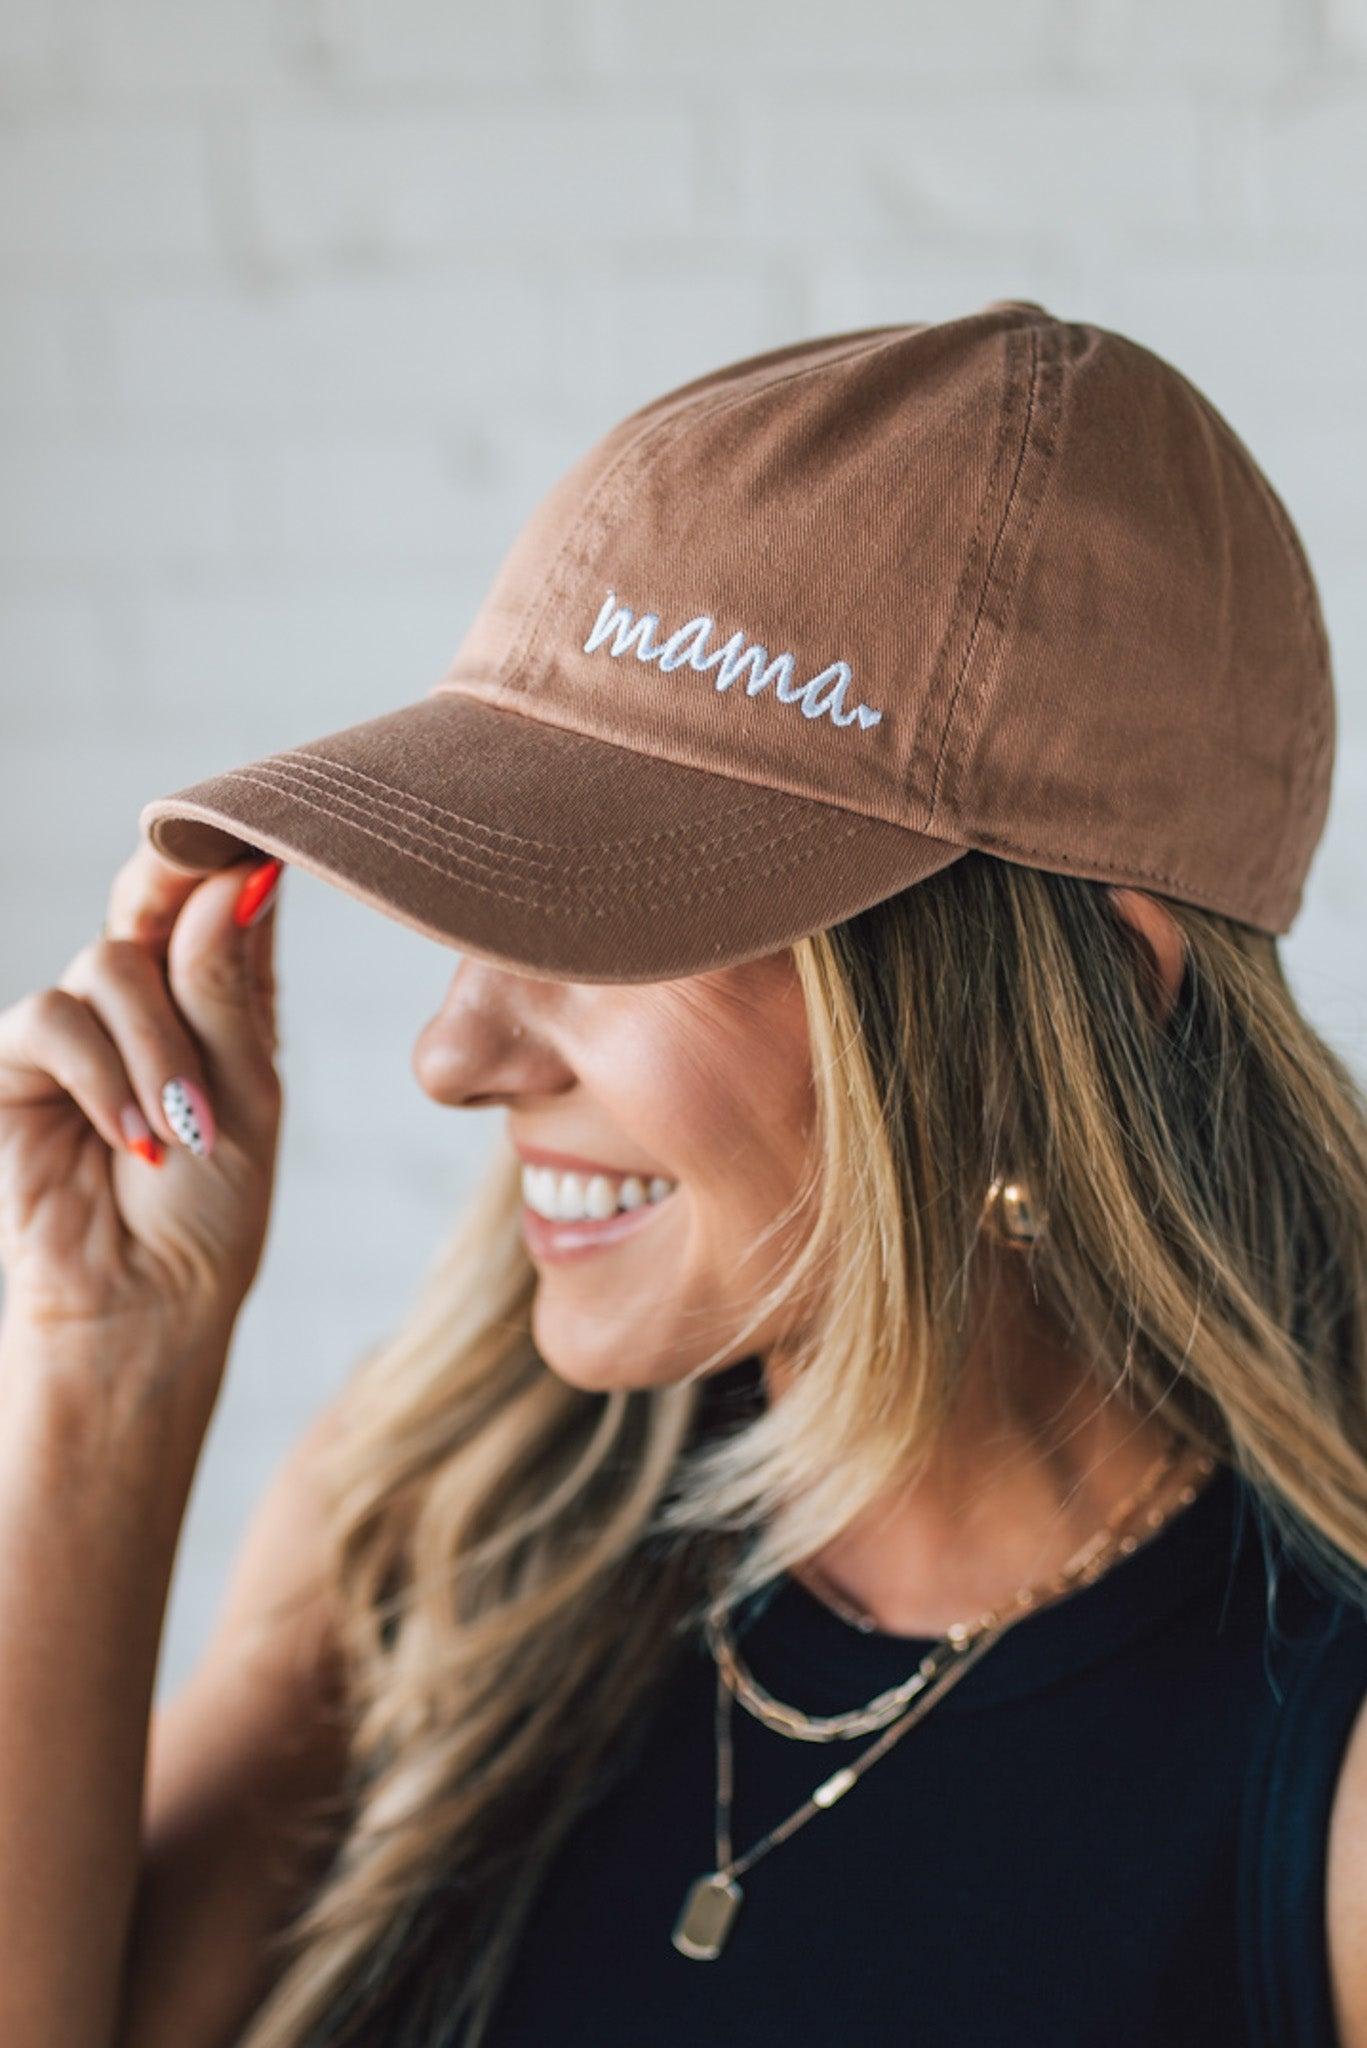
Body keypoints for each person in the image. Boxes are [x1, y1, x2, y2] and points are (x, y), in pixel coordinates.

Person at [0, 301, 1364, 2048]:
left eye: (613, 927)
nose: (454, 1054)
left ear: (1080, 1006)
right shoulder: (457, 1519)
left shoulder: (1325, 1789)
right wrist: (107, 1361)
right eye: (483, 906)